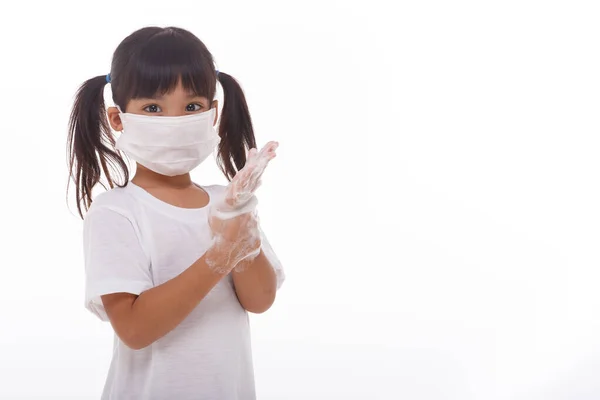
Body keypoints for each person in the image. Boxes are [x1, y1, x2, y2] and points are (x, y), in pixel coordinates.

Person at [66, 26, 285, 400]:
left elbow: (260, 301)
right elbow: (134, 329)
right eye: (153, 108)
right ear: (118, 119)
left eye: (192, 107)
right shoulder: (117, 212)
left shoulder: (227, 201)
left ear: (212, 113)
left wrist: (240, 226)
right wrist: (218, 257)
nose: (175, 121)